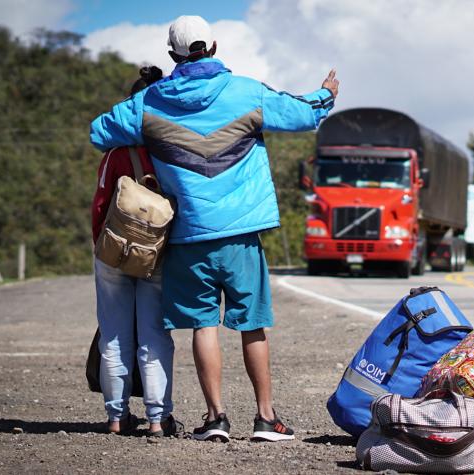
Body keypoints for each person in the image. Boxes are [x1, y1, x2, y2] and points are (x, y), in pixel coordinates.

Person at [89, 15, 339, 442]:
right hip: (242, 235)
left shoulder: (149, 103)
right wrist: (326, 95)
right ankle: (265, 419)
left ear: (172, 56)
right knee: (252, 325)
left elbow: (99, 132)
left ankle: (215, 418)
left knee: (204, 326)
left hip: (187, 237)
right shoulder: (246, 92)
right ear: (215, 46)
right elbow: (302, 113)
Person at [91, 66, 181, 437]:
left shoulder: (115, 152)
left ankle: (116, 416)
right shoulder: (172, 149)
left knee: (114, 334)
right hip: (157, 254)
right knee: (155, 336)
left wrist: (104, 247)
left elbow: (99, 205)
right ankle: (159, 419)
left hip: (113, 250)